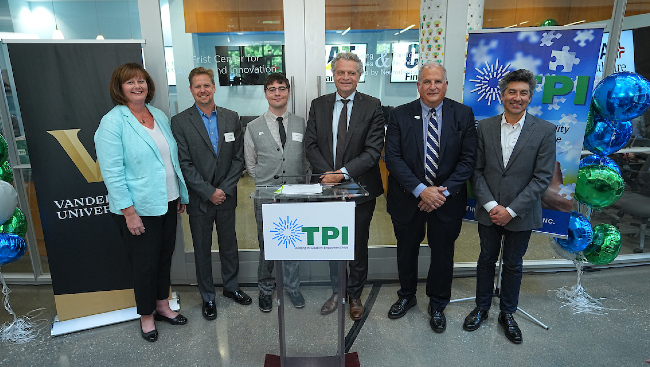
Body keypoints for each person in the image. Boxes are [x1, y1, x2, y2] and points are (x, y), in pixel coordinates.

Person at [95, 62, 190, 342]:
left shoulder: (157, 115)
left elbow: (169, 159)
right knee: (144, 264)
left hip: (168, 201)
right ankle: (147, 316)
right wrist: (129, 212)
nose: (138, 86)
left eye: (142, 81)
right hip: (138, 208)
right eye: (130, 82)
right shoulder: (112, 122)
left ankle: (163, 306)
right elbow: (111, 173)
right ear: (120, 88)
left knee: (163, 259)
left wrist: (179, 194)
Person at [463, 69, 555, 344]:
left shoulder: (544, 130)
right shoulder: (485, 127)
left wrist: (511, 210)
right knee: (486, 260)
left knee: (513, 265)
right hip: (488, 210)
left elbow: (542, 178)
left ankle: (507, 313)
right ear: (502, 95)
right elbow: (476, 171)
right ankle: (481, 307)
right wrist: (492, 205)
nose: (517, 98)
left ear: (530, 96)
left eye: (523, 93)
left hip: (522, 213)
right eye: (512, 92)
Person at [384, 61, 477, 333]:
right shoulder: (399, 115)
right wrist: (421, 190)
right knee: (406, 250)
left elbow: (468, 160)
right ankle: (406, 296)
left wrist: (440, 192)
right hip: (407, 198)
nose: (432, 86)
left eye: (437, 81)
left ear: (446, 84)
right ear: (418, 85)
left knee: (443, 255)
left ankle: (437, 303)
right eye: (427, 81)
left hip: (446, 200)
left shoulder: (463, 114)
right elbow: (393, 159)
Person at [304, 52, 385, 321]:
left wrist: (342, 173)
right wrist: (330, 175)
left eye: (352, 72)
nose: (346, 77)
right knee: (333, 243)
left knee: (357, 245)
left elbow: (373, 151)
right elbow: (311, 144)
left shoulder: (373, 106)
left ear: (359, 75)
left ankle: (355, 295)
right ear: (334, 75)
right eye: (341, 72)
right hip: (327, 188)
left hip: (360, 189)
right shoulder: (319, 104)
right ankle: (338, 292)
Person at [171, 67, 251, 321]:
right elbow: (184, 163)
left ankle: (231, 288)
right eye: (197, 86)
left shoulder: (231, 117)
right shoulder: (181, 122)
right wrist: (208, 192)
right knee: (202, 249)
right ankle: (207, 297)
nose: (203, 90)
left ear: (214, 87)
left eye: (207, 85)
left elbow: (239, 158)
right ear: (191, 90)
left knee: (229, 245)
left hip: (226, 196)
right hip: (199, 199)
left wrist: (223, 190)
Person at [243, 73, 308, 312]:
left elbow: (305, 159)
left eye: (282, 88)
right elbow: (250, 164)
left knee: (292, 242)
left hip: (295, 193)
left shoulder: (301, 123)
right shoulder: (253, 127)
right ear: (266, 93)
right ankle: (266, 289)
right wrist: (265, 180)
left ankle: (292, 287)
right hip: (266, 195)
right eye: (272, 89)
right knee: (267, 244)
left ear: (288, 92)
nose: (277, 93)